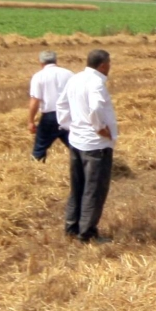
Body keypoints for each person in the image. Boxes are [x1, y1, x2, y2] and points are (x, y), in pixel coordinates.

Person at [56, 48, 118, 242]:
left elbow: (61, 105)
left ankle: (71, 227)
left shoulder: (75, 79)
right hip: (95, 145)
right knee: (94, 189)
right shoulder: (96, 83)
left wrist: (69, 126)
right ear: (102, 65)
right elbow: (96, 107)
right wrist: (100, 128)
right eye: (109, 63)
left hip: (76, 140)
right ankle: (87, 233)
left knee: (78, 187)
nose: (110, 66)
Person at [27, 50, 73, 161]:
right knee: (76, 146)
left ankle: (36, 171)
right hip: (69, 115)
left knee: (39, 149)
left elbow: (35, 101)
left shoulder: (38, 77)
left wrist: (30, 121)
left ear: (41, 63)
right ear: (55, 60)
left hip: (50, 117)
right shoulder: (69, 74)